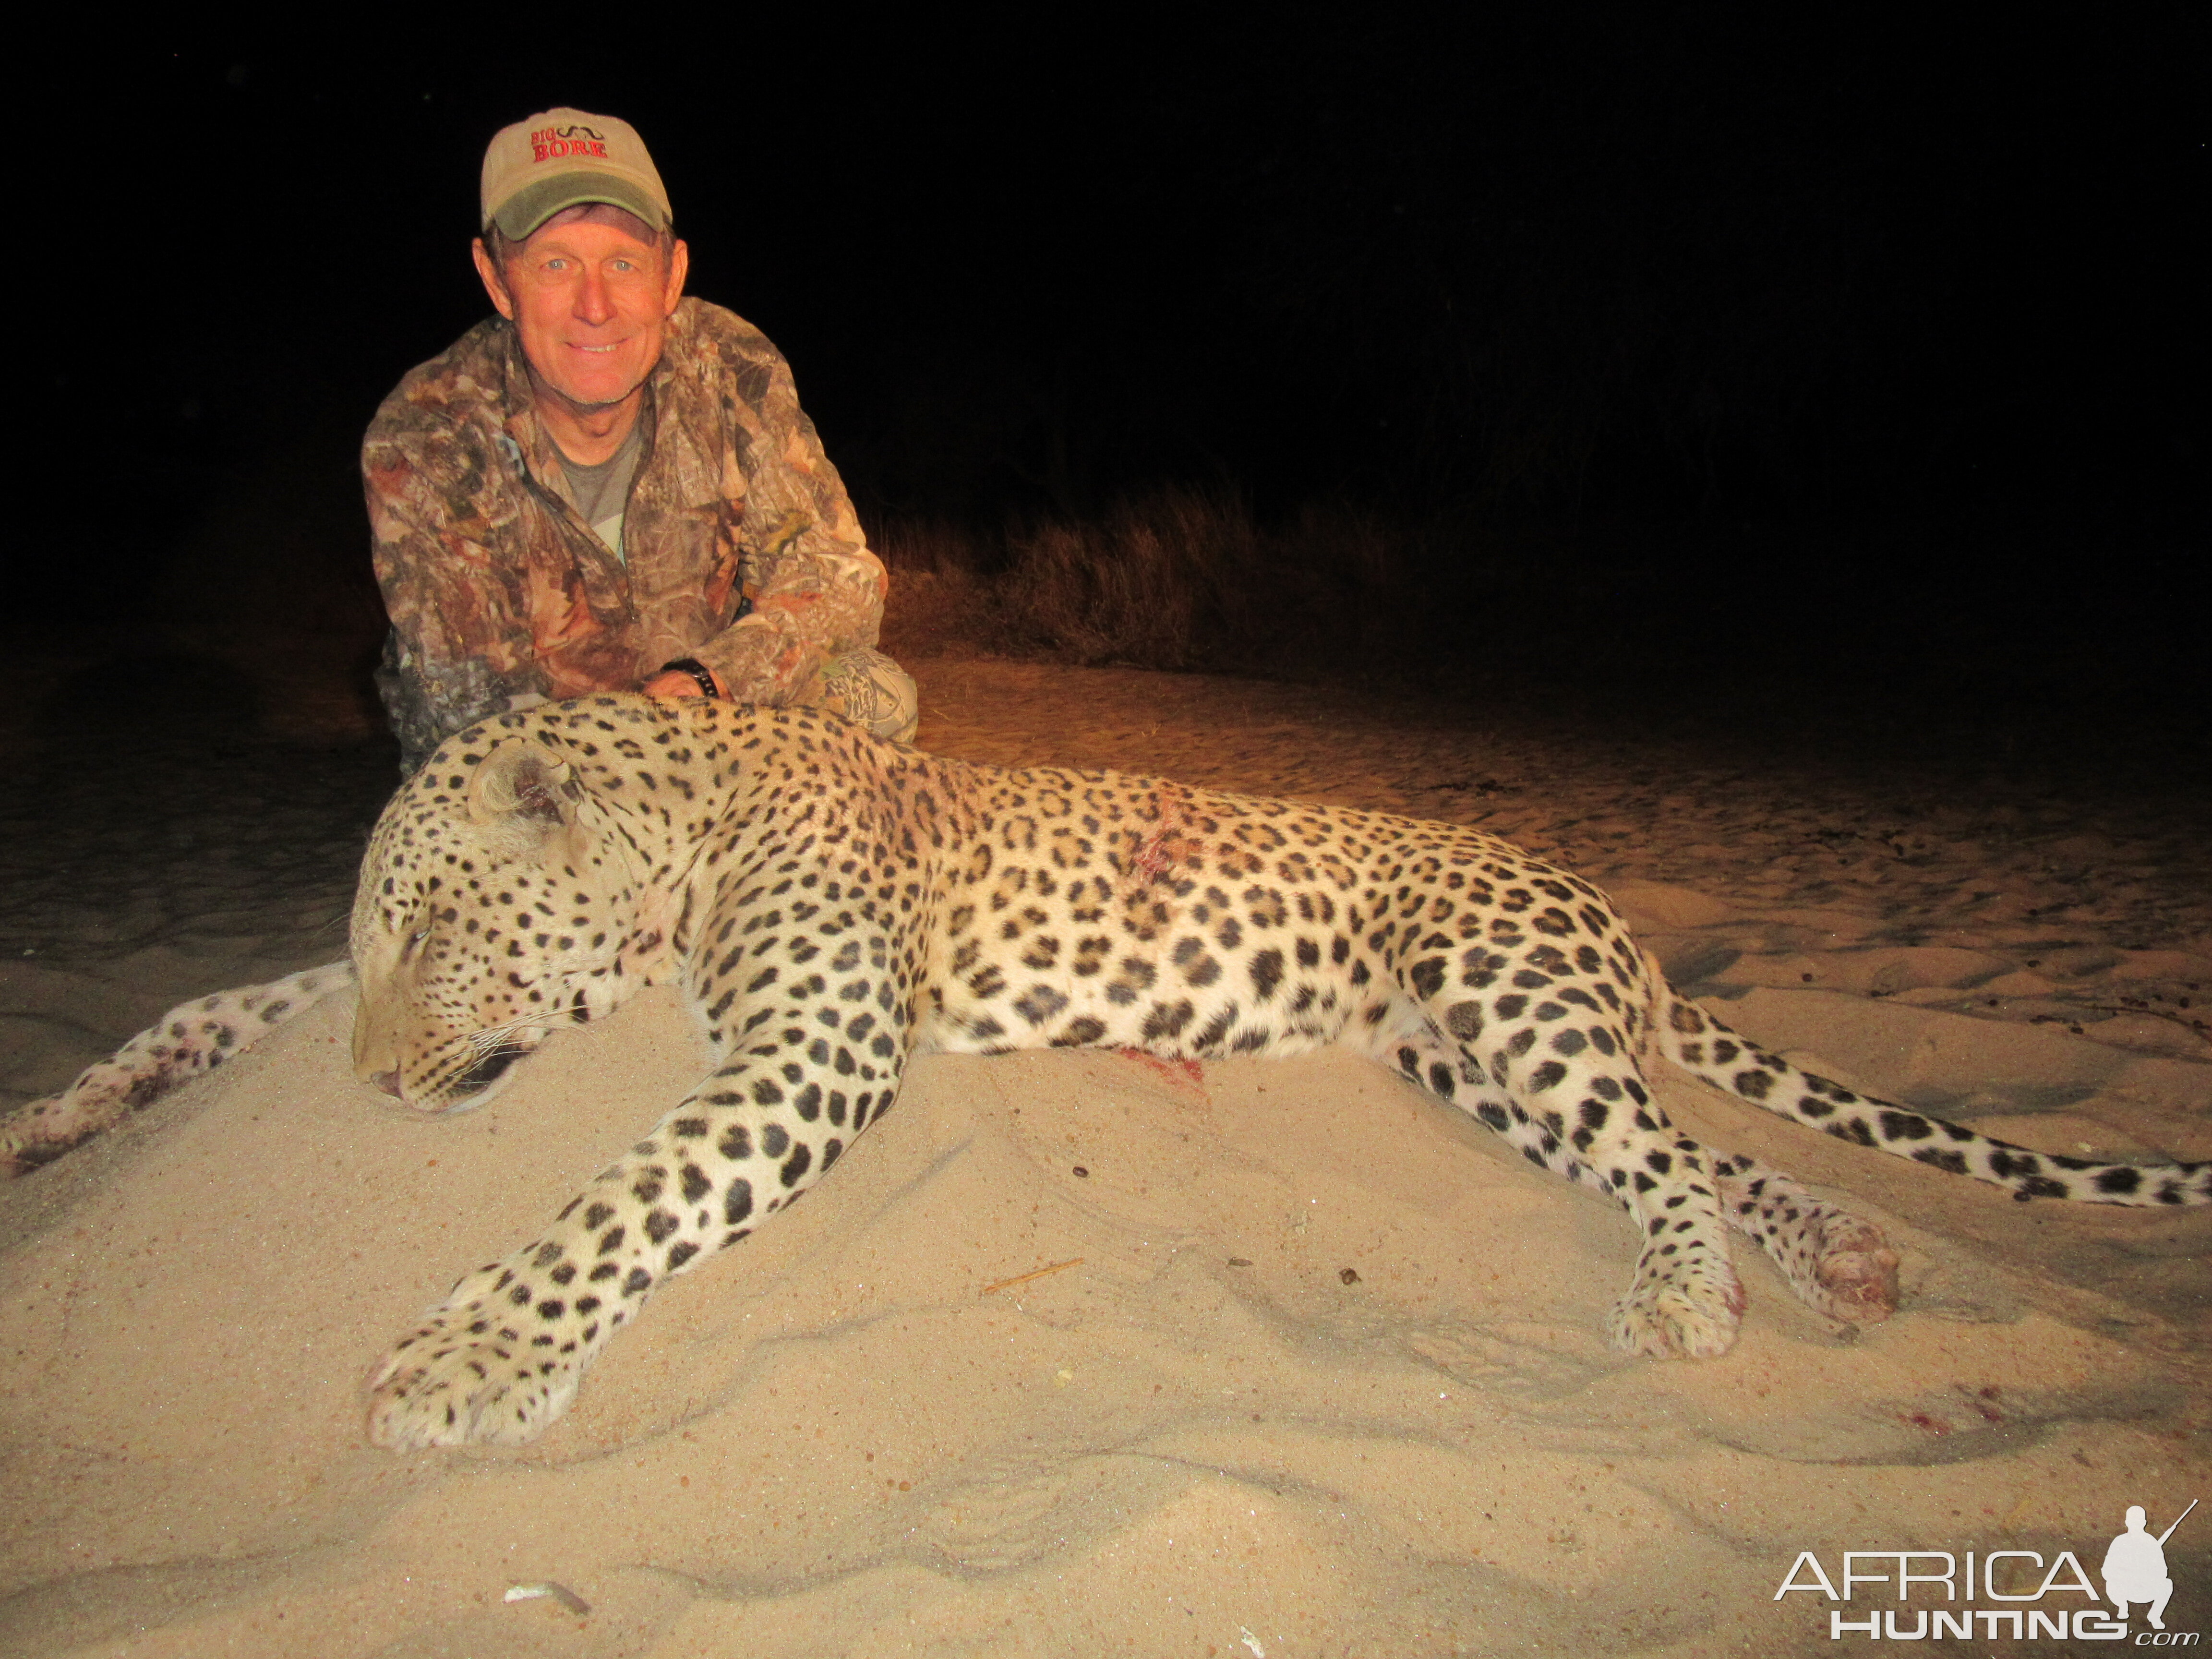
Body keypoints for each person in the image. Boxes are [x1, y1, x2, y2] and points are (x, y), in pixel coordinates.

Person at [364, 107, 916, 776]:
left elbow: (837, 575)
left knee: (871, 697)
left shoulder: (732, 366)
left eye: (623, 262)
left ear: (672, 274)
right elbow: (476, 709)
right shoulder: (429, 435)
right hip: (547, 763)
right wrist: (639, 746)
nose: (594, 306)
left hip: (704, 719)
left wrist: (705, 683)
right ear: (496, 278)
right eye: (556, 263)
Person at [2102, 1504, 2176, 1630]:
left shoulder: (2152, 1542)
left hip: (2145, 1589)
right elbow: (2106, 1571)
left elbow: (2163, 1571)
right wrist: (2125, 1574)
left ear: (2144, 1523)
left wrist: (2147, 1574)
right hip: (2123, 1589)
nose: (2135, 1524)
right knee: (2110, 1584)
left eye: (2138, 1521)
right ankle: (2122, 1606)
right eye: (2132, 1521)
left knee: (2167, 1584)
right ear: (2127, 1522)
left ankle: (2155, 1616)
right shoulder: (2119, 1542)